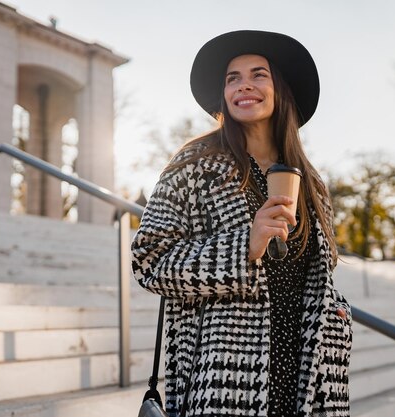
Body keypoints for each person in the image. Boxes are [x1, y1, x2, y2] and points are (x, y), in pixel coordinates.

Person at [131, 30, 352, 417]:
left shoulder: (311, 182)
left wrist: (336, 311)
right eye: (232, 77)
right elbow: (149, 262)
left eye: (258, 74)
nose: (244, 84)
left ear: (280, 89)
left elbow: (317, 271)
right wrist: (242, 248)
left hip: (307, 368)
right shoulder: (194, 165)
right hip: (226, 376)